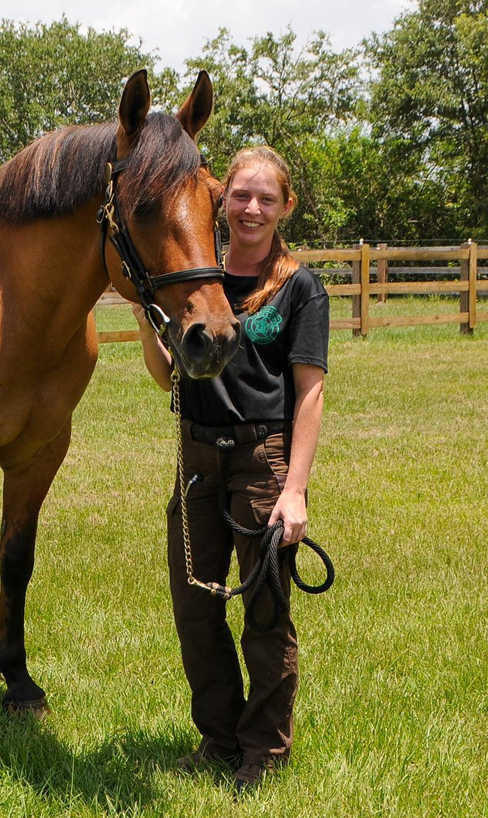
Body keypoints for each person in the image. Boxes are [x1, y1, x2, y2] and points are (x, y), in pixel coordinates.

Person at [134, 145, 329, 791]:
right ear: (222, 202)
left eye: (265, 199)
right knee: (196, 611)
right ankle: (218, 739)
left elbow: (309, 393)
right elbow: (169, 375)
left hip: (261, 460)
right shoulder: (199, 281)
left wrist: (294, 489)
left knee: (266, 610)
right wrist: (145, 321)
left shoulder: (301, 288)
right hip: (196, 460)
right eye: (240, 196)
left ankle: (264, 753)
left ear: (285, 207)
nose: (250, 209)